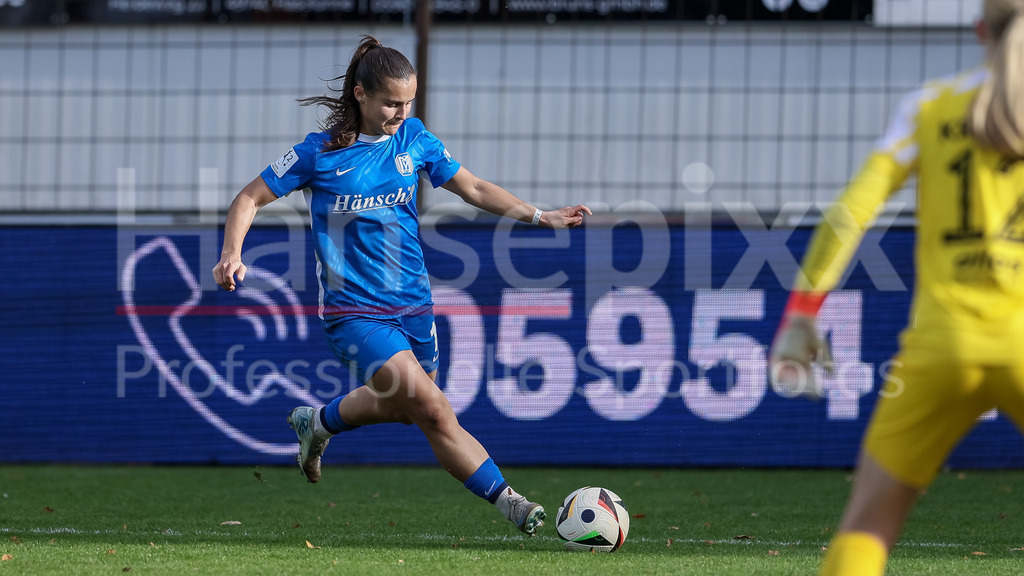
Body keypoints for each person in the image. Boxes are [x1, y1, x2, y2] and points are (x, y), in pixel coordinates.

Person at [212, 35, 591, 536]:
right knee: (434, 410)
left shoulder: (415, 139)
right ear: (361, 94)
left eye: (408, 100)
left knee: (406, 408)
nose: (401, 111)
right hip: (354, 315)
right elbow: (248, 198)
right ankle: (512, 503)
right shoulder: (318, 153)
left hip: (414, 305)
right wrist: (231, 252)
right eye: (392, 101)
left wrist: (540, 216)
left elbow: (474, 188)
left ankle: (318, 423)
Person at [769, 1, 1024, 573]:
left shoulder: (932, 107)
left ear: (980, 30)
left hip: (940, 348)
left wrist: (802, 315)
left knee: (866, 529)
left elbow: (851, 211)